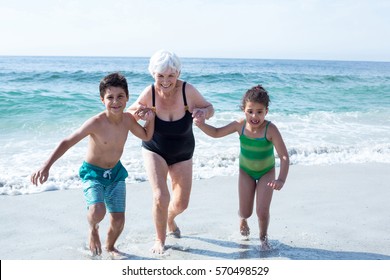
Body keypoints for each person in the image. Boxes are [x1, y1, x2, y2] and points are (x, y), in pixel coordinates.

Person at [31, 72, 155, 256]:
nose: (115, 101)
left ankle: (110, 246)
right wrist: (46, 166)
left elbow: (146, 135)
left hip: (116, 173)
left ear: (127, 98)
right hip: (93, 173)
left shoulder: (128, 120)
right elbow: (67, 141)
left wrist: (150, 119)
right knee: (98, 211)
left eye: (120, 96)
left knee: (119, 219)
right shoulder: (96, 122)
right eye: (110, 97)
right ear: (102, 99)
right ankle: (93, 229)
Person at [128, 50, 214, 254]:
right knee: (160, 195)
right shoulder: (149, 92)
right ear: (153, 74)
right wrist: (140, 114)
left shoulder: (188, 91)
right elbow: (130, 114)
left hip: (183, 152)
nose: (166, 81)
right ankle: (160, 239)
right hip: (154, 149)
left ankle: (169, 218)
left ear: (178, 73)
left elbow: (210, 108)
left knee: (182, 204)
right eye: (160, 76)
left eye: (170, 75)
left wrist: (203, 113)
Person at [194, 85, 289, 250]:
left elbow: (284, 156)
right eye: (250, 111)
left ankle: (263, 237)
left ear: (266, 111)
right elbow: (216, 132)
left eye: (259, 112)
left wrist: (280, 179)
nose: (254, 116)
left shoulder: (270, 129)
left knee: (262, 211)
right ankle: (243, 219)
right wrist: (201, 124)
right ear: (243, 110)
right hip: (246, 172)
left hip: (267, 172)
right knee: (246, 212)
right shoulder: (240, 125)